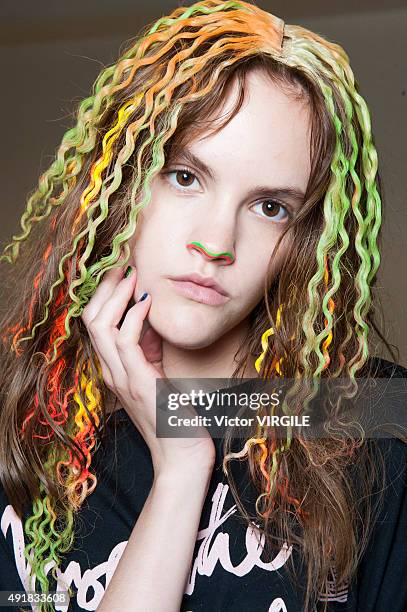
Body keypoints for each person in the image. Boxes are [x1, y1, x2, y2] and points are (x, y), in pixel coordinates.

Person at [0, 0, 406, 610]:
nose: (216, 243)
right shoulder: (28, 416)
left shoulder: (372, 422)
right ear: (124, 180)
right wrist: (183, 466)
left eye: (271, 207)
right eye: (186, 176)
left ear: (305, 239)